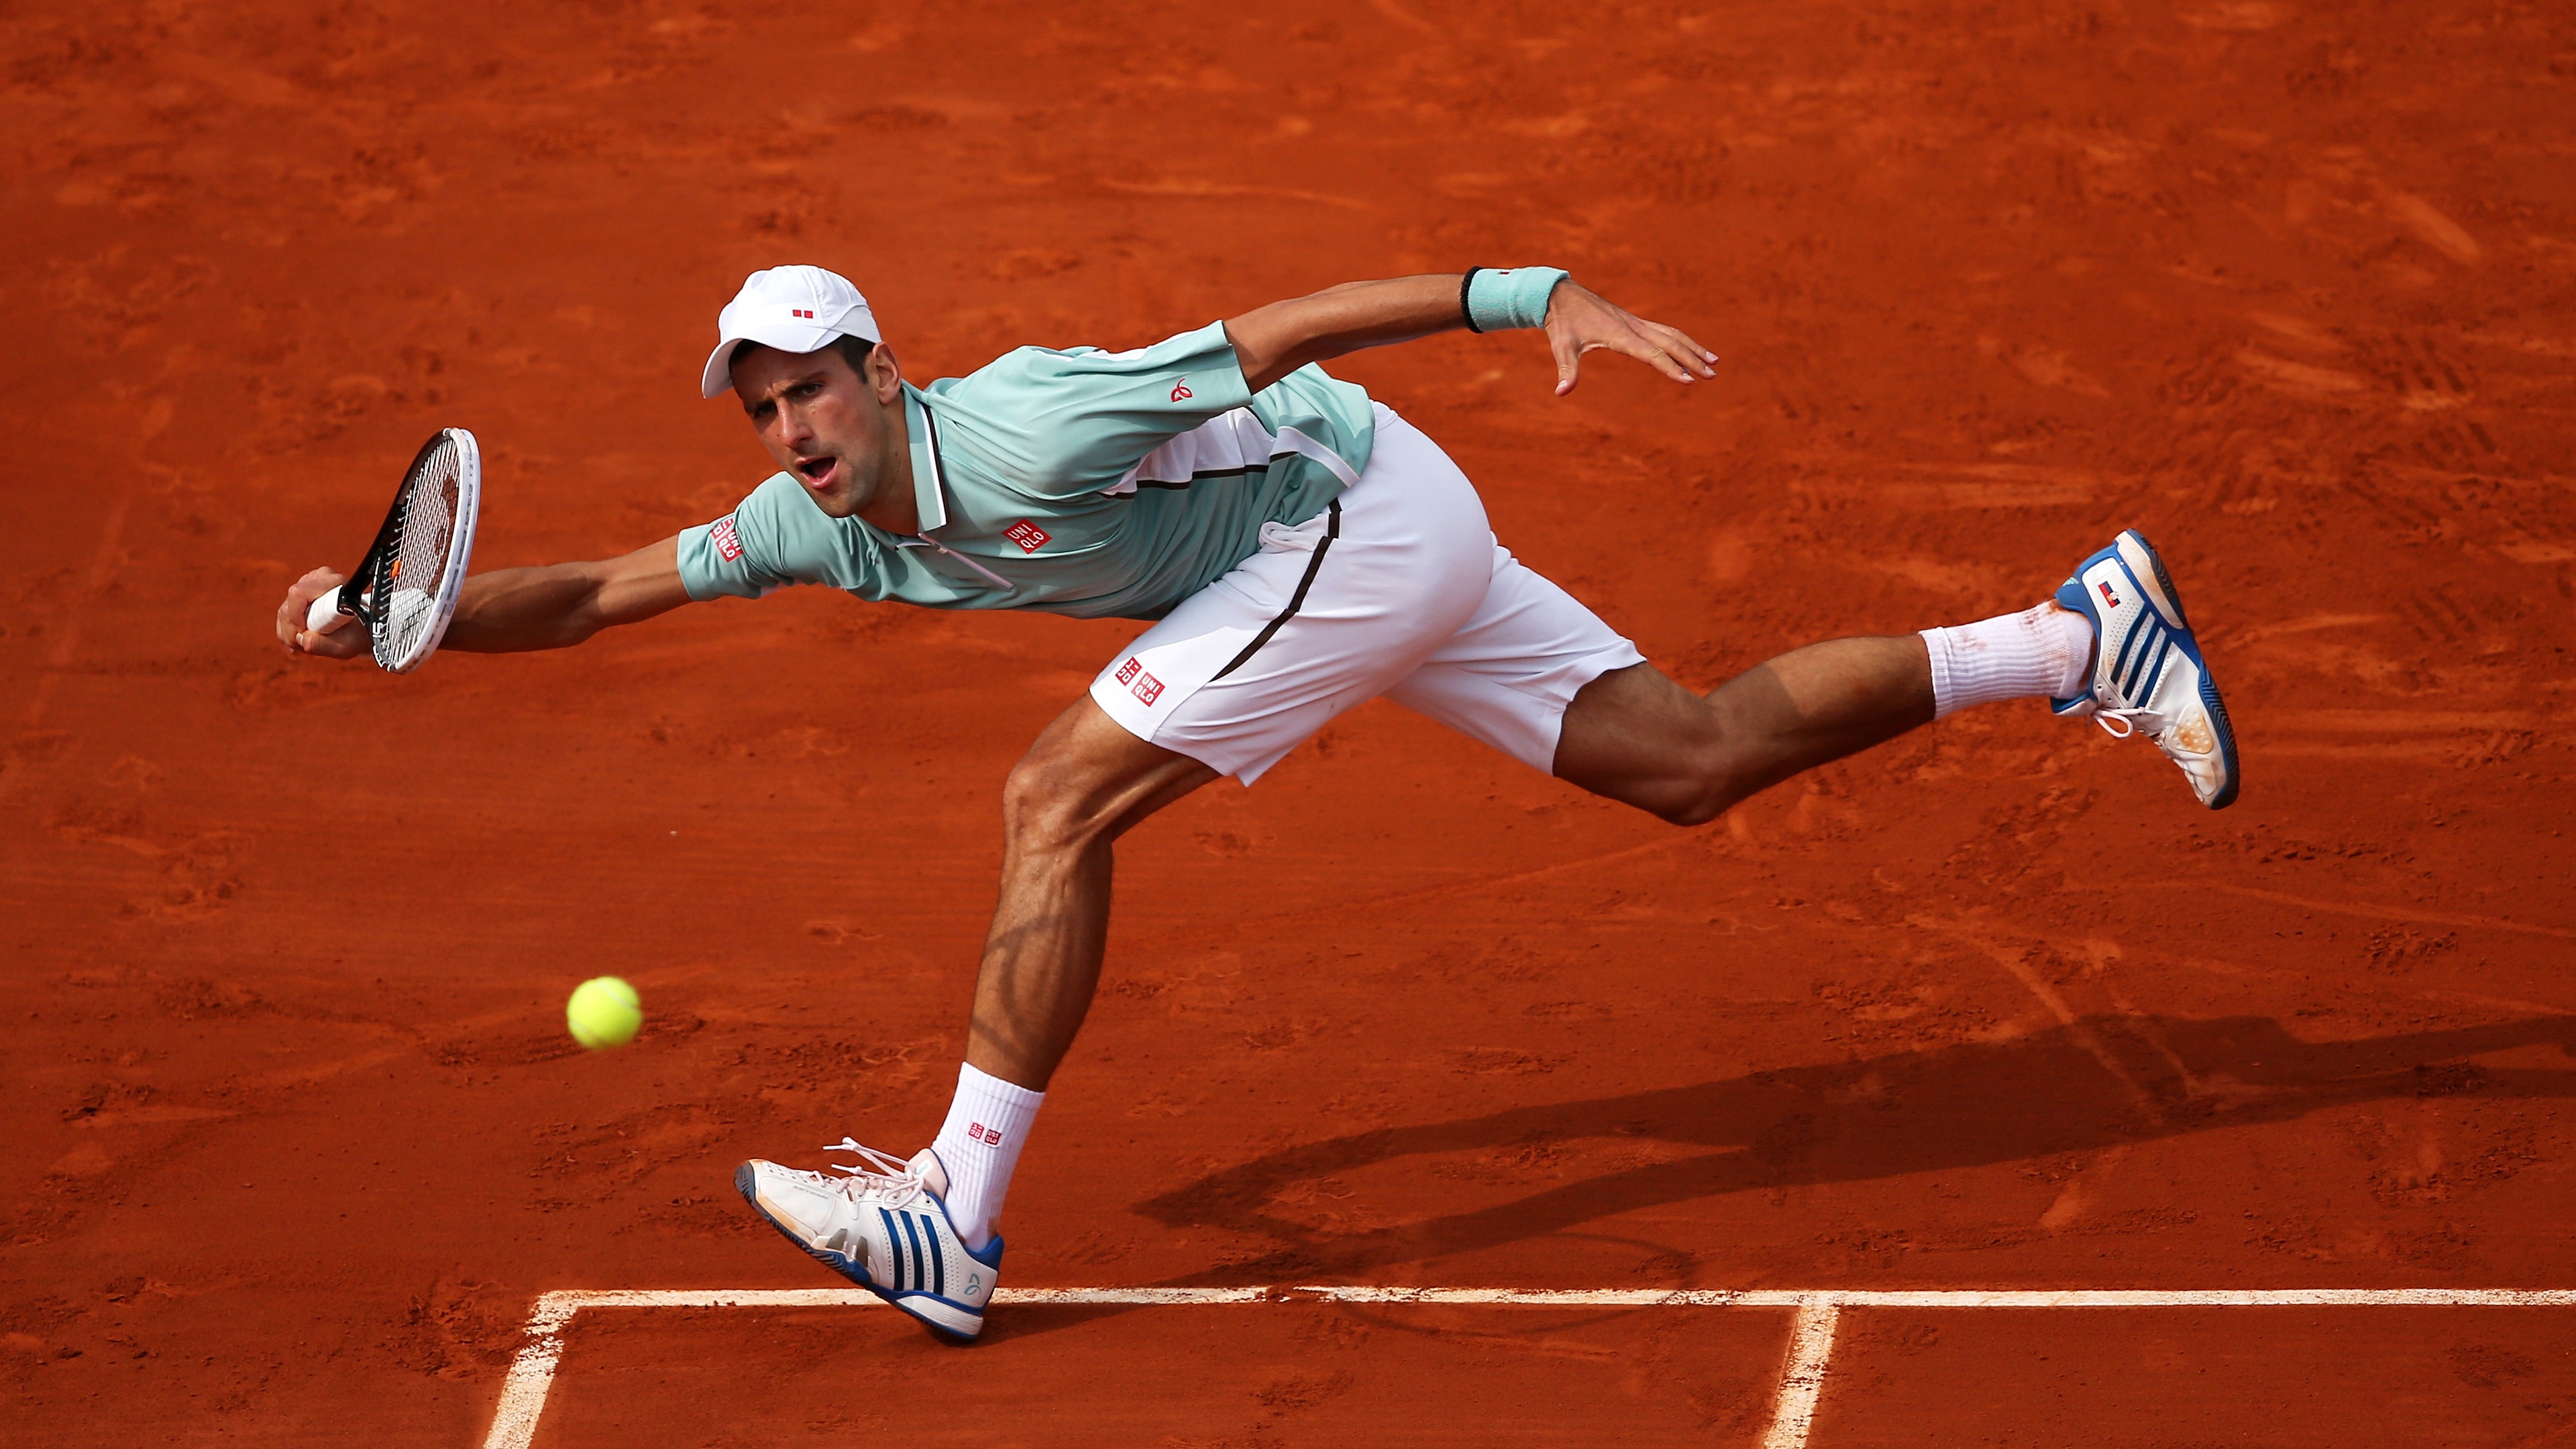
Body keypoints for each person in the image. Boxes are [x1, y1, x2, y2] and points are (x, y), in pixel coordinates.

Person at [273, 264, 2238, 1340]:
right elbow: (603, 591)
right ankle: (2080, 639)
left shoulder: (1027, 414)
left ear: (884, 370)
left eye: (814, 388)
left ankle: (953, 1217)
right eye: (762, 404)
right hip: (1402, 521)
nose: (793, 428)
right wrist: (397, 623)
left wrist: (1527, 293)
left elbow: (1273, 332)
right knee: (1692, 758)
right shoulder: (818, 527)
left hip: (1358, 511)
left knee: (1059, 794)